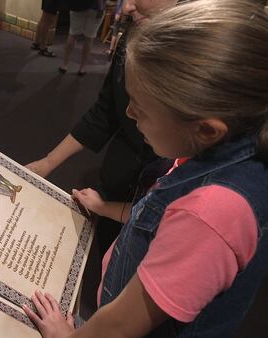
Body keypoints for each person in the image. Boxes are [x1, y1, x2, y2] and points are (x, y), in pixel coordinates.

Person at [23, 0, 268, 337]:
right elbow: (160, 221)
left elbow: (120, 326)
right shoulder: (228, 152)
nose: (130, 115)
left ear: (206, 129)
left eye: (142, 108)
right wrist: (104, 207)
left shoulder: (212, 213)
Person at [27, 0, 177, 256]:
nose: (126, 7)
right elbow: (106, 111)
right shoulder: (135, 32)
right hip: (121, 176)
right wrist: (48, 162)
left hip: (162, 193)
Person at [59, 0, 106, 76]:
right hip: (96, 8)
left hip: (78, 5)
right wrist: (101, 7)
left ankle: (65, 65)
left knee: (72, 35)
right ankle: (82, 68)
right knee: (89, 38)